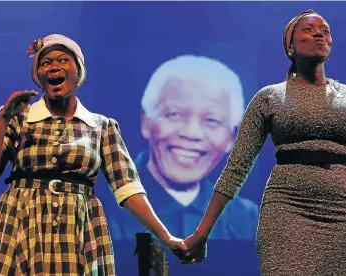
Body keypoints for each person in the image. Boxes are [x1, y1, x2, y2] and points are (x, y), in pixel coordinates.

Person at [183, 10, 346, 276]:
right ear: (290, 45)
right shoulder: (269, 98)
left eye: (325, 30)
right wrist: (202, 232)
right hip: (286, 212)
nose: (319, 33)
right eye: (309, 29)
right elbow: (236, 168)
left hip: (344, 216)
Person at [0, 34, 188, 275]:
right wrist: (3, 119)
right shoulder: (19, 119)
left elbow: (128, 189)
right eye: (45, 63)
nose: (54, 67)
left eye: (63, 60)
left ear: (78, 72)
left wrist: (165, 236)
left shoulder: (101, 126)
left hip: (77, 228)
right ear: (39, 78)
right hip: (20, 223)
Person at [106, 55, 259, 241]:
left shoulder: (245, 219)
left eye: (212, 120)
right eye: (175, 114)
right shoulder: (102, 208)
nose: (191, 133)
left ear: (231, 138)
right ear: (146, 122)